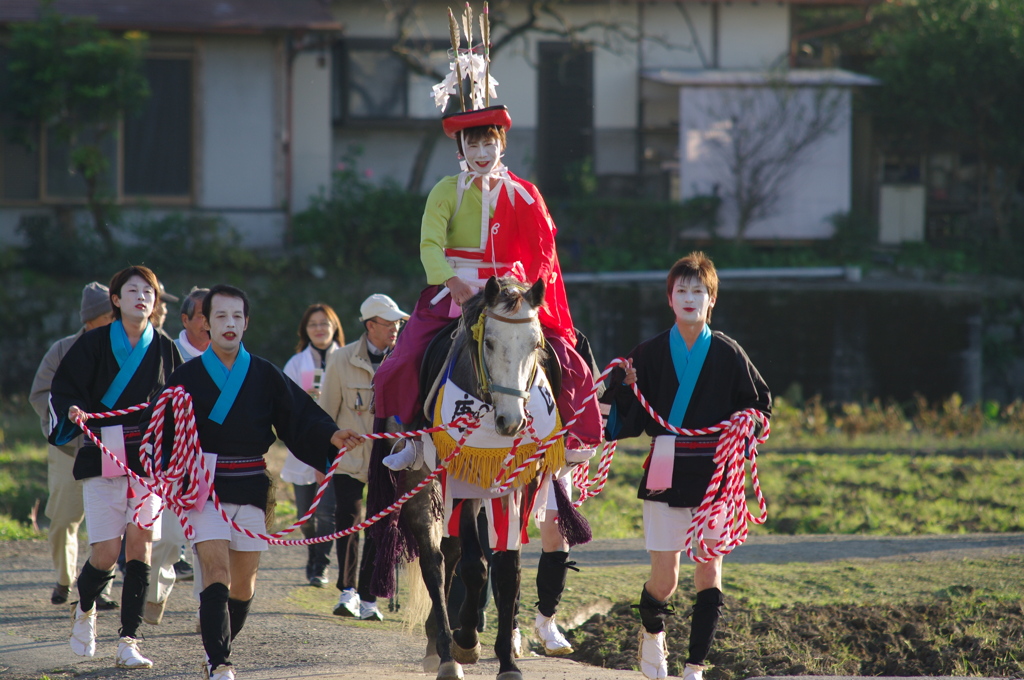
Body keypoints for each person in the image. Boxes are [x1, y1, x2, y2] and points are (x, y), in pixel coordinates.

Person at [152, 284, 362, 680]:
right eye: (220, 317)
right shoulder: (185, 377)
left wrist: (330, 434)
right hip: (205, 488)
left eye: (236, 317)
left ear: (246, 323)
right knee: (214, 571)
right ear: (206, 325)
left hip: (250, 486)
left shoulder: (265, 374)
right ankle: (219, 663)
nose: (229, 324)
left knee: (243, 585)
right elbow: (163, 427)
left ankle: (220, 648)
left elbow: (299, 415)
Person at [372, 104, 602, 451]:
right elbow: (430, 244)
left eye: (488, 145)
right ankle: (413, 438)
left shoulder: (524, 193)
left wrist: (530, 294)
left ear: (502, 146)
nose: (481, 154)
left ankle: (571, 438)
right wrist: (451, 281)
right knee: (406, 356)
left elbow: (544, 250)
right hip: (456, 291)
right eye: (473, 146)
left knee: (568, 355)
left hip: (513, 294)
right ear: (460, 150)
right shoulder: (445, 191)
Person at [601, 252, 771, 680]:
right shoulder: (649, 353)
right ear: (670, 299)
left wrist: (747, 423)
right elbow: (634, 420)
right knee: (666, 579)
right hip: (665, 468)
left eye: (699, 290)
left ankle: (695, 666)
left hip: (716, 477)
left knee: (710, 569)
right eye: (682, 290)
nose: (690, 297)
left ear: (711, 299)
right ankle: (652, 632)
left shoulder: (731, 354)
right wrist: (623, 388)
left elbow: (760, 406)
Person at [48, 265, 184, 668]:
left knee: (141, 548)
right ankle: (85, 608)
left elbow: (180, 398)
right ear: (116, 299)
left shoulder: (163, 347)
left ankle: (129, 640)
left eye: (149, 291)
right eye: (132, 290)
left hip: (148, 459)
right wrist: (73, 410)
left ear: (156, 301)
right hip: (103, 451)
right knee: (106, 551)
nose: (141, 297)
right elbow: (64, 387)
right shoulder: (91, 345)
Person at [29, 282, 117, 609]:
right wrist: (69, 422)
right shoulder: (62, 350)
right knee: (65, 521)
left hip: (111, 449)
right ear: (90, 319)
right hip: (68, 449)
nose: (115, 319)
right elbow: (39, 395)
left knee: (107, 523)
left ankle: (100, 589)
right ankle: (65, 579)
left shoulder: (127, 352)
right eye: (109, 315)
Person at [321, 294, 409, 620]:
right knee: (348, 520)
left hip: (389, 459)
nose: (395, 329)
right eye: (389, 323)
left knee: (380, 525)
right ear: (370, 325)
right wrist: (324, 458)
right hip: (349, 457)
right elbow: (326, 414)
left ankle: (370, 598)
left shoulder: (405, 357)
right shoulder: (340, 359)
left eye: (398, 323)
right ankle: (348, 591)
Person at [144, 287, 210, 625]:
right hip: (171, 461)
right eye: (201, 315)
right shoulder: (165, 353)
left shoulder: (229, 356)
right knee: (169, 538)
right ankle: (152, 596)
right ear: (185, 319)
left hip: (212, 462)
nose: (209, 322)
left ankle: (208, 613)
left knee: (209, 543)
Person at [281, 303, 343, 587]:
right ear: (306, 330)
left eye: (324, 323)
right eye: (313, 324)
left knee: (327, 512)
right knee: (305, 516)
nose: (319, 329)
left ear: (334, 327)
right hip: (302, 449)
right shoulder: (295, 364)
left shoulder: (344, 359)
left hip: (335, 448)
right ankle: (312, 553)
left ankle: (321, 565)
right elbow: (282, 406)